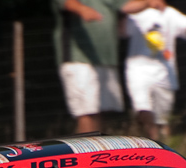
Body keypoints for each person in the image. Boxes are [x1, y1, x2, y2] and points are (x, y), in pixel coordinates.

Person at [53, 0, 152, 134]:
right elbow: (68, 3)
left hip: (104, 60)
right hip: (79, 59)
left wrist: (148, 2)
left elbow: (127, 5)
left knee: (99, 111)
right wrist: (83, 9)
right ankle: (86, 152)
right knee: (86, 112)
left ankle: (98, 152)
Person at [124, 0, 186, 141]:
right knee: (142, 108)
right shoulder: (135, 12)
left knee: (163, 121)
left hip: (164, 74)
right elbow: (121, 25)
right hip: (138, 70)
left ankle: (166, 151)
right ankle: (152, 138)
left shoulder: (170, 14)